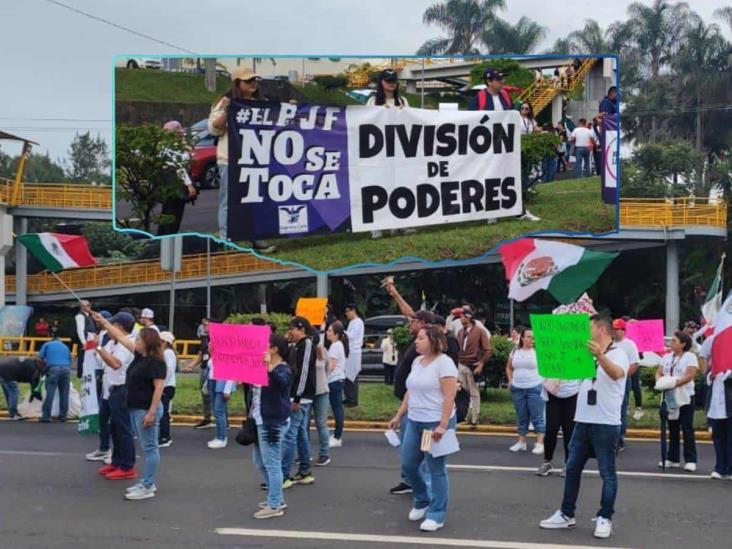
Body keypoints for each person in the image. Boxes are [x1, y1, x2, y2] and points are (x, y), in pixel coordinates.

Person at [540, 315, 629, 540]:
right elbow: (566, 369)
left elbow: (617, 374)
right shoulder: (583, 352)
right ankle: (566, 513)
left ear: (601, 329)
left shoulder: (618, 353)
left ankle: (605, 517)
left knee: (607, 473)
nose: (586, 331)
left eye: (589, 327)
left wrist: (599, 356)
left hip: (606, 423)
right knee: (572, 468)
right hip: (582, 420)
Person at [388, 326, 458, 532]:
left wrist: (442, 425)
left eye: (420, 338)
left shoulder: (445, 364)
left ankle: (437, 514)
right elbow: (411, 390)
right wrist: (399, 415)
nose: (416, 341)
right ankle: (422, 499)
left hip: (433, 424)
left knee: (435, 468)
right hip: (415, 421)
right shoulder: (418, 362)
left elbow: (449, 396)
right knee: (409, 465)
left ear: (433, 340)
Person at [94, 313, 166, 500]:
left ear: (147, 342)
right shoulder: (139, 355)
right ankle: (146, 482)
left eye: (140, 339)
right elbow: (119, 336)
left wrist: (151, 413)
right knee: (146, 446)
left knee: (150, 449)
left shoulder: (156, 362)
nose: (136, 341)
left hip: (146, 410)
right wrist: (104, 322)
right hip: (135, 407)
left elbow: (159, 389)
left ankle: (148, 485)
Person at [207, 65, 275, 253]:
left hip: (255, 160)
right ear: (238, 83)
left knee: (256, 201)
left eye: (254, 80)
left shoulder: (261, 102)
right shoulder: (225, 102)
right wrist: (228, 112)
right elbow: (213, 129)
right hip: (230, 160)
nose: (253, 84)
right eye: (248, 81)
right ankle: (228, 241)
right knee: (228, 203)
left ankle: (257, 238)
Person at [250, 333, 293, 519]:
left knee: (272, 464)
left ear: (274, 349)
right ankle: (275, 496)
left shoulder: (283, 369)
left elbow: (282, 383)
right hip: (260, 419)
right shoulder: (263, 366)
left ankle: (275, 504)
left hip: (273, 422)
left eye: (266, 345)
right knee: (260, 462)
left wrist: (269, 367)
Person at [367, 69, 410, 238]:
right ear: (381, 82)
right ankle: (377, 226)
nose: (392, 83)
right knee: (379, 187)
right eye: (388, 80)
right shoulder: (372, 101)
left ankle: (399, 222)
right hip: (379, 152)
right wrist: (379, 112)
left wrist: (403, 112)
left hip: (399, 150)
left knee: (399, 185)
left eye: (394, 80)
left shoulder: (403, 100)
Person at [94, 311, 137, 481]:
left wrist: (98, 347)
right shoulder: (114, 343)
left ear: (119, 327)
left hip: (122, 389)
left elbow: (114, 364)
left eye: (110, 325)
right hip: (112, 389)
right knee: (114, 427)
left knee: (123, 429)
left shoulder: (126, 345)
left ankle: (127, 466)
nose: (107, 329)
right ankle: (117, 461)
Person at [655, 331, 698, 471]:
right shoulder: (667, 357)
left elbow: (690, 375)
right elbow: (659, 372)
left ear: (683, 344)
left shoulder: (690, 357)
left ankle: (690, 459)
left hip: (685, 396)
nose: (671, 343)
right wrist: (660, 382)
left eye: (674, 341)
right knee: (672, 427)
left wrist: (674, 384)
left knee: (686, 427)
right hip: (669, 396)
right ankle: (672, 458)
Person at [282, 316, 317, 488]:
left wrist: (296, 397)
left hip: (300, 397)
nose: (291, 333)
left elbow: (303, 372)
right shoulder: (297, 345)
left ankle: (284, 475)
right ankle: (304, 471)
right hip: (299, 395)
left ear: (301, 329)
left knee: (290, 436)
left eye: (292, 330)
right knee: (301, 434)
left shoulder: (307, 345)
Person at [506, 327, 545, 454]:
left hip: (535, 386)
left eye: (533, 337)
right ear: (522, 338)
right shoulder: (514, 351)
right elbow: (509, 367)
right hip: (518, 387)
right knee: (521, 415)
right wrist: (510, 380)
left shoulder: (538, 351)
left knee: (537, 415)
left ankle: (539, 442)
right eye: (528, 337)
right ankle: (521, 441)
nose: (531, 339)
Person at [157, 120, 197, 236]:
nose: (181, 132)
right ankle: (168, 240)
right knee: (174, 214)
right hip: (176, 183)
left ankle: (161, 239)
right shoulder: (173, 147)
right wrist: (189, 185)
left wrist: (184, 143)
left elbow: (190, 156)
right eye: (178, 129)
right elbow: (179, 166)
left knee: (167, 212)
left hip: (166, 184)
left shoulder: (164, 145)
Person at [700, 335, 732, 479]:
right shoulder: (713, 341)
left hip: (729, 405)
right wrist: (710, 376)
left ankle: (730, 468)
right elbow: (705, 380)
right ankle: (720, 467)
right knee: (718, 436)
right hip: (715, 406)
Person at [85, 310, 114, 463]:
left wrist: (98, 349)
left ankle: (114, 454)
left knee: (115, 422)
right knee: (103, 418)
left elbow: (109, 362)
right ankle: (104, 448)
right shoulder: (106, 339)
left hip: (116, 387)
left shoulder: (113, 341)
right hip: (106, 384)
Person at [456, 306, 492, 427]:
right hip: (461, 364)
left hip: (473, 365)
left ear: (468, 317)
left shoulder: (479, 331)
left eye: (462, 316)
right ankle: (463, 415)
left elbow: (488, 350)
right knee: (462, 391)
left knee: (474, 393)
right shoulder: (460, 332)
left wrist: (481, 363)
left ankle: (475, 418)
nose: (460, 318)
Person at [538, 377, 581, 477]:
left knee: (569, 431)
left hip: (572, 392)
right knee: (551, 429)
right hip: (553, 391)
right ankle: (547, 461)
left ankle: (568, 464)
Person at [612, 319, 640, 453]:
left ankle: (619, 438)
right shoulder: (608, 343)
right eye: (613, 328)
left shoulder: (629, 345)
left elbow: (634, 364)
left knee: (621, 408)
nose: (615, 331)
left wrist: (623, 376)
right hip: (609, 380)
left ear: (624, 331)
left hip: (623, 380)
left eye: (618, 329)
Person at [185, 318, 213, 429]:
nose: (204, 327)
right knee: (204, 393)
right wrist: (191, 365)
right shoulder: (204, 338)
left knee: (216, 395)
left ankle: (223, 420)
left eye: (207, 325)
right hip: (204, 368)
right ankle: (207, 418)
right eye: (204, 325)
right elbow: (201, 354)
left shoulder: (218, 339)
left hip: (213, 369)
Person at [38, 334, 72, 423]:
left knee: (50, 392)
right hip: (66, 370)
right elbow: (70, 360)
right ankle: (63, 416)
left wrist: (44, 369)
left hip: (53, 369)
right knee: (64, 393)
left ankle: (46, 416)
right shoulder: (65, 347)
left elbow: (39, 358)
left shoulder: (47, 344)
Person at [326, 320, 348, 448]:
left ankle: (337, 436)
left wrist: (322, 374)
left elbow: (332, 365)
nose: (327, 333)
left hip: (334, 380)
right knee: (337, 408)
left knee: (337, 409)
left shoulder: (335, 346)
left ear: (336, 334)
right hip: (337, 379)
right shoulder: (337, 345)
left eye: (330, 331)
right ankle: (336, 435)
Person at [310, 335, 331, 466]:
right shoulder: (303, 350)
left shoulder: (322, 351)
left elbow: (328, 368)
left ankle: (324, 453)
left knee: (321, 423)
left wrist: (322, 380)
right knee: (303, 425)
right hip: (308, 392)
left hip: (321, 391)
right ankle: (305, 453)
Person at [207, 368, 236, 449]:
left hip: (223, 383)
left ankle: (222, 438)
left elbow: (232, 369)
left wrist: (227, 389)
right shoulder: (214, 355)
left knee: (219, 411)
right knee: (216, 411)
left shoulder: (227, 355)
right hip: (213, 381)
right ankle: (219, 436)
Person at [158, 331, 177, 448]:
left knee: (163, 413)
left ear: (164, 342)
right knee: (163, 412)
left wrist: (161, 384)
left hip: (166, 386)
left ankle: (165, 437)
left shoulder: (168, 353)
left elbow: (168, 370)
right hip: (167, 385)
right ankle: (163, 435)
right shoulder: (166, 352)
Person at [343, 304, 364, 407]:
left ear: (353, 311)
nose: (346, 314)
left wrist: (342, 332)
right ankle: (348, 397)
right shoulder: (352, 322)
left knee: (353, 375)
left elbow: (352, 336)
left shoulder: (358, 322)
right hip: (350, 351)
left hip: (354, 351)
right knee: (347, 375)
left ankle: (353, 399)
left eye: (348, 311)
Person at [75, 300, 96, 378]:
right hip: (86, 342)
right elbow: (80, 330)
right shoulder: (80, 316)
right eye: (85, 306)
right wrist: (84, 343)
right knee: (83, 359)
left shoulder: (88, 316)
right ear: (81, 307)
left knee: (89, 360)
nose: (88, 307)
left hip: (91, 341)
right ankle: (81, 375)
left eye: (88, 305)